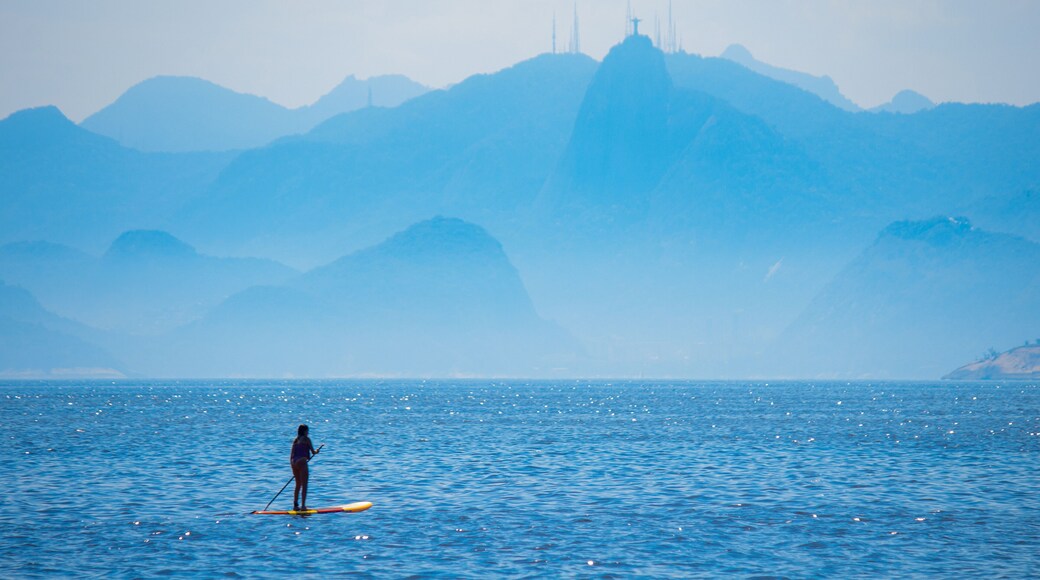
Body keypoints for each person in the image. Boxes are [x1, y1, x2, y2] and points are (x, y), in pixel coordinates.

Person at [290, 424, 318, 511]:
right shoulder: (306, 439)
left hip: (293, 462)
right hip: (302, 462)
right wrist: (317, 451)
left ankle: (295, 505)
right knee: (304, 485)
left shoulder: (295, 440)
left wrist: (292, 463)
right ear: (304, 431)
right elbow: (313, 452)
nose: (308, 432)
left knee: (298, 484)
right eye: (307, 431)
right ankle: (303, 506)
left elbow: (292, 455)